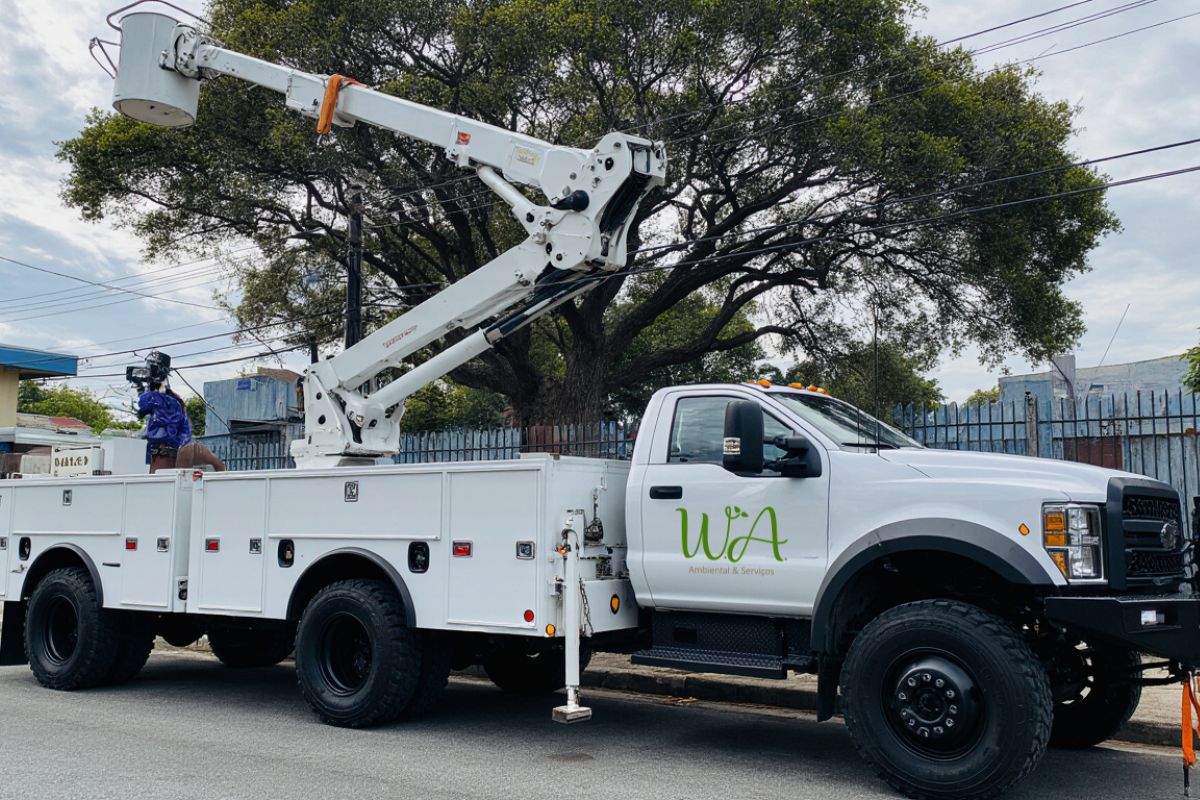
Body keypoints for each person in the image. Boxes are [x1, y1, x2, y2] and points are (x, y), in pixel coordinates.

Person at [137, 381, 192, 472]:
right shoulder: (170, 404)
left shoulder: (168, 404)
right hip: (164, 451)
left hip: (164, 451)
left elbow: (144, 403)